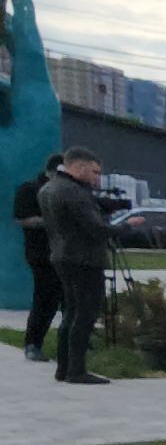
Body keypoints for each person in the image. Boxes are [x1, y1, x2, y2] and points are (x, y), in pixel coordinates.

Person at [38, 147, 134, 385]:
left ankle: (64, 367)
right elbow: (96, 229)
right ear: (79, 167)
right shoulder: (74, 192)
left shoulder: (49, 188)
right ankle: (76, 370)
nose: (97, 178)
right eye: (95, 172)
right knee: (84, 313)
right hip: (84, 259)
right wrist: (127, 227)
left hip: (62, 256)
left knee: (71, 312)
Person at [13, 152, 65, 363]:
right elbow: (22, 219)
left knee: (70, 300)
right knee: (45, 299)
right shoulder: (30, 189)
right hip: (41, 254)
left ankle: (70, 342)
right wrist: (52, 221)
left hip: (66, 254)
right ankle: (33, 343)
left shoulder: (66, 192)